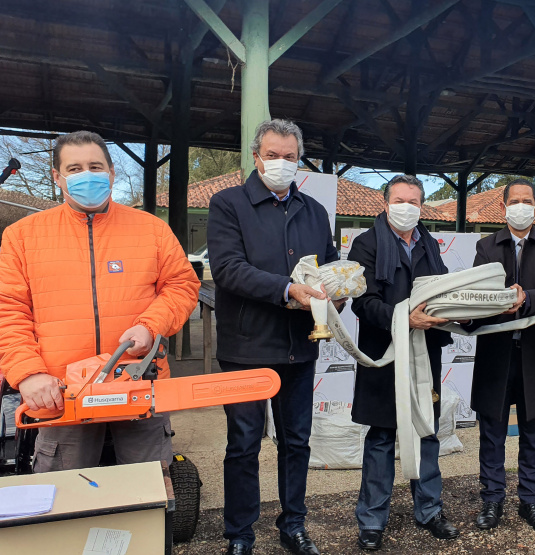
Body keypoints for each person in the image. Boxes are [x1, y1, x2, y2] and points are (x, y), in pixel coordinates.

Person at [0, 130, 199, 471]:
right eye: (74, 168)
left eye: (95, 166)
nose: (86, 174)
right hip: (60, 391)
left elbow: (181, 285)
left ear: (111, 172)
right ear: (57, 177)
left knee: (146, 489)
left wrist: (151, 326)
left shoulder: (151, 229)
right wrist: (28, 374)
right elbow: (8, 310)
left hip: (138, 382)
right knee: (63, 494)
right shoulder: (22, 236)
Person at [207, 119, 341, 555]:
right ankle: (240, 534)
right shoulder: (228, 205)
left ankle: (293, 524)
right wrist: (287, 289)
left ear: (299, 160)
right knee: (243, 444)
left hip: (298, 347)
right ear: (255, 156)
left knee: (296, 441)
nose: (281, 163)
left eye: (289, 157)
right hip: (245, 346)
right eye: (272, 155)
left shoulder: (315, 211)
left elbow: (329, 268)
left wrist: (338, 291)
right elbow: (228, 269)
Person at [347, 174, 459, 551]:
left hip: (425, 350)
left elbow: (440, 290)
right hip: (385, 352)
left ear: (422, 205)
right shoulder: (365, 245)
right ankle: (372, 520)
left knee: (426, 430)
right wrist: (404, 317)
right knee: (381, 437)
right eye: (399, 200)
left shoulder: (429, 243)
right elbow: (363, 302)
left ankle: (430, 511)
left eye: (414, 201)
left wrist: (447, 311)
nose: (407, 207)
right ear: (385, 203)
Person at [463, 178, 535, 532]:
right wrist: (501, 301)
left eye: (527, 200)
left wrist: (525, 299)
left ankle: (530, 500)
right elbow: (479, 290)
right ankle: (492, 501)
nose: (520, 206)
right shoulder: (486, 245)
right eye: (514, 200)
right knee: (491, 431)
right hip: (496, 352)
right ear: (503, 206)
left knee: (533, 431)